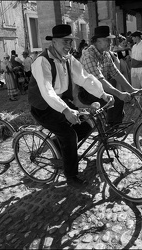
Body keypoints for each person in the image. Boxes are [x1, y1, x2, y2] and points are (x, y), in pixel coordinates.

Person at [28, 24, 114, 188]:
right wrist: (66, 110)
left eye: (71, 42)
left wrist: (102, 94)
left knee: (87, 125)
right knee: (68, 135)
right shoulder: (42, 61)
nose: (69, 46)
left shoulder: (68, 59)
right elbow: (48, 92)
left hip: (60, 102)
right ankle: (71, 175)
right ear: (54, 41)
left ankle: (58, 146)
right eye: (65, 41)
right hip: (43, 107)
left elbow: (85, 78)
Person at [80, 25, 140, 127]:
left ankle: (110, 131)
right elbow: (99, 80)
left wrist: (131, 89)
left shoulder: (105, 53)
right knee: (116, 100)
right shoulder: (89, 55)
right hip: (86, 92)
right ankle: (110, 131)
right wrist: (120, 94)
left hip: (98, 89)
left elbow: (116, 73)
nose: (110, 43)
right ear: (98, 41)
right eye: (107, 40)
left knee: (118, 107)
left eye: (110, 40)